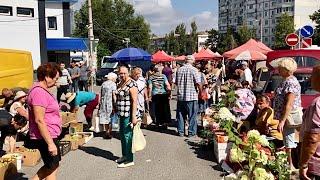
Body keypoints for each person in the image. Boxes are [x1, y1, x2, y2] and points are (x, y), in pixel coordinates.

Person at [27, 63, 62, 180]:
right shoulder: (39, 92)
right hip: (45, 136)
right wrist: (50, 143)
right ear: (47, 76)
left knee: (53, 166)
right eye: (55, 78)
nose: (56, 81)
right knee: (51, 166)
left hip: (50, 134)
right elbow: (39, 120)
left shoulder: (42, 90)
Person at [273, 57, 301, 171]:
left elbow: (289, 104)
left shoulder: (291, 82)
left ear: (287, 69)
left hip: (289, 117)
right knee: (287, 140)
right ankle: (290, 165)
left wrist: (282, 121)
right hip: (286, 116)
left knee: (289, 141)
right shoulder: (286, 81)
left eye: (280, 68)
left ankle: (291, 167)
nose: (278, 69)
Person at [299, 65, 320, 179]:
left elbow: (313, 138)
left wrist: (303, 164)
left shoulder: (317, 103)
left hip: (317, 165)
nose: (309, 79)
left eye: (312, 76)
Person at [115, 65, 138, 168]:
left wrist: (134, 117)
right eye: (121, 73)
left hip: (128, 114)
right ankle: (124, 155)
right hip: (121, 113)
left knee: (128, 136)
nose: (122, 75)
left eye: (124, 73)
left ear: (128, 73)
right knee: (122, 136)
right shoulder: (120, 83)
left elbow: (134, 101)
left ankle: (130, 159)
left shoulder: (132, 84)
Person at [175, 55, 202, 137]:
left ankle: (181, 132)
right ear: (192, 61)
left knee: (180, 115)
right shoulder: (194, 70)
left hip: (181, 96)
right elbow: (198, 83)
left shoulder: (179, 70)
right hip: (192, 96)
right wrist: (201, 92)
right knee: (192, 116)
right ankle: (191, 132)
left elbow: (176, 82)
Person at [99, 72, 117, 139]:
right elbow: (114, 95)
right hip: (110, 103)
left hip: (103, 103)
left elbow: (101, 94)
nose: (115, 79)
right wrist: (115, 103)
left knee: (105, 117)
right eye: (115, 78)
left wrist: (100, 103)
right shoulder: (113, 84)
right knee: (111, 117)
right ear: (112, 78)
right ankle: (109, 132)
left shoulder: (103, 83)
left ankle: (106, 131)